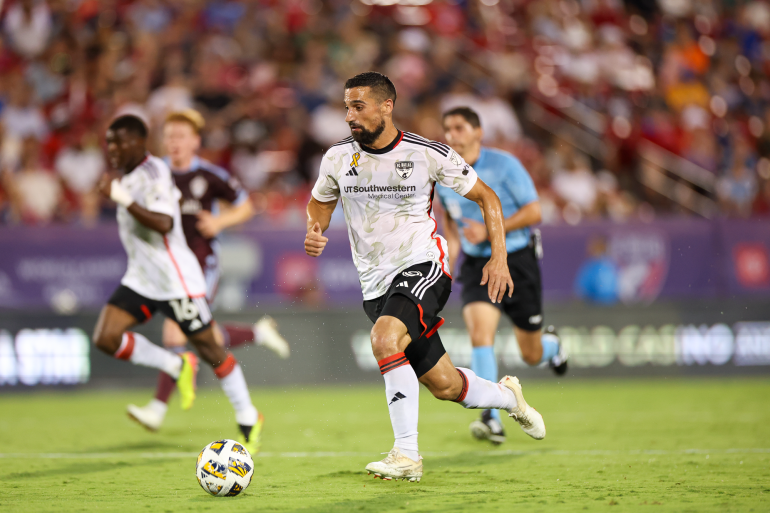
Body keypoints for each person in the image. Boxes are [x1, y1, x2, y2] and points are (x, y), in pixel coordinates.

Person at [304, 72, 546, 483]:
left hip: (423, 266)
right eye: (347, 107)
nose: (349, 116)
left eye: (358, 106)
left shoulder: (427, 153)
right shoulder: (337, 158)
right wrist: (315, 229)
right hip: (374, 283)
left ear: (386, 106)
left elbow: (488, 197)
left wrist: (499, 258)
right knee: (446, 385)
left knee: (383, 338)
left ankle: (407, 456)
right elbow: (319, 203)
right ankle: (509, 398)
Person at [93, 115, 262, 454]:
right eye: (109, 142)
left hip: (176, 280)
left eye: (119, 142)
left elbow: (164, 223)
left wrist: (122, 198)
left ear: (138, 143)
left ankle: (247, 414)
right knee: (106, 337)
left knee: (210, 348)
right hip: (142, 278)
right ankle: (173, 364)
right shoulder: (129, 174)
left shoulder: (155, 175)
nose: (111, 149)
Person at [126, 109, 289, 434]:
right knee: (202, 336)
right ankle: (257, 334)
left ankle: (157, 409)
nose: (174, 143)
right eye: (169, 136)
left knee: (175, 331)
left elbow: (246, 205)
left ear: (195, 141)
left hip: (201, 265)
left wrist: (218, 222)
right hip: (166, 267)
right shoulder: (154, 175)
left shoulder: (210, 176)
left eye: (181, 137)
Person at [437, 107, 567, 446]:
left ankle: (553, 348)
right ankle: (491, 417)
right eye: (448, 129)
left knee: (531, 354)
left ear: (478, 132)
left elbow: (535, 210)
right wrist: (448, 258)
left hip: (517, 259)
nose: (453, 135)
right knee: (481, 334)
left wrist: (493, 229)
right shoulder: (443, 172)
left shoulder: (505, 165)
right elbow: (451, 223)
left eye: (460, 127)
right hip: (477, 263)